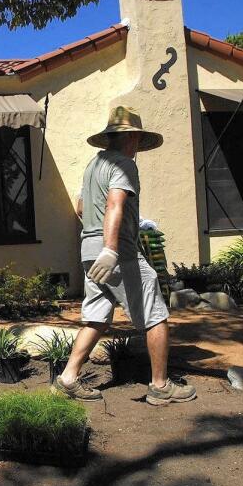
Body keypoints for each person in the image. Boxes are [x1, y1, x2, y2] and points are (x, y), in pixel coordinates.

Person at [52, 106, 197, 405]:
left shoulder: (94, 165)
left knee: (96, 316)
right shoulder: (123, 164)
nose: (138, 145)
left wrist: (100, 245)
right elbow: (114, 205)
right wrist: (111, 248)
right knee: (155, 313)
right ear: (131, 136)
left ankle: (67, 378)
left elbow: (81, 208)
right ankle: (160, 386)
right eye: (138, 138)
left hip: (89, 251)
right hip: (117, 253)